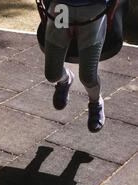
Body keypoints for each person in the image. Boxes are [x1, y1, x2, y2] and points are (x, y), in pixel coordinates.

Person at [44, 0, 112, 133]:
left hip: (94, 8)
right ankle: (65, 79)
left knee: (87, 76)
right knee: (52, 74)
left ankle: (95, 102)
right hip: (61, 6)